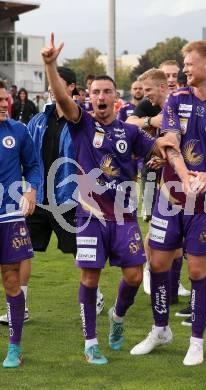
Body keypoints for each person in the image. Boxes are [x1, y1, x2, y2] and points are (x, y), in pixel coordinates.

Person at [41, 33, 176, 365]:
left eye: (106, 92)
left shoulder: (130, 132)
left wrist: (168, 151)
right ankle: (90, 343)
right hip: (89, 216)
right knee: (90, 277)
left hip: (124, 216)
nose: (100, 96)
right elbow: (61, 97)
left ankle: (117, 317)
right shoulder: (81, 122)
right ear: (89, 97)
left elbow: (156, 150)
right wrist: (50, 64)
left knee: (132, 276)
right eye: (95, 92)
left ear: (117, 98)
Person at [131, 40, 206, 366]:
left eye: (189, 64)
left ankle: (196, 341)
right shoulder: (176, 100)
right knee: (157, 265)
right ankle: (160, 329)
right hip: (169, 197)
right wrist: (184, 175)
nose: (183, 70)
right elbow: (169, 144)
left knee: (198, 270)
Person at [0, 67, 104, 326]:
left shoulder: (81, 121)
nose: (50, 88)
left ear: (71, 88)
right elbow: (31, 160)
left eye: (56, 83)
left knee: (77, 250)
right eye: (49, 83)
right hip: (37, 198)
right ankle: (19, 307)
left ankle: (96, 294)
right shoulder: (37, 120)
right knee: (20, 252)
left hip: (69, 196)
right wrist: (29, 189)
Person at [127, 60, 190, 301]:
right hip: (155, 173)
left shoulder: (185, 101)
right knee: (157, 225)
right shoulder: (149, 104)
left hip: (173, 170)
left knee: (178, 232)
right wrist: (151, 121)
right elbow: (129, 123)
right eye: (169, 74)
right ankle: (149, 270)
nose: (173, 78)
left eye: (176, 74)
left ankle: (173, 284)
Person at [0, 80, 39, 368]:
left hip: (9, 215)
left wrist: (31, 189)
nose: (4, 104)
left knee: (11, 279)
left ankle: (14, 348)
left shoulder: (18, 130)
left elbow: (34, 165)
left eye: (5, 99)